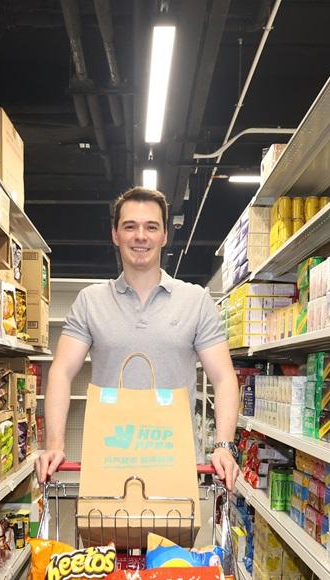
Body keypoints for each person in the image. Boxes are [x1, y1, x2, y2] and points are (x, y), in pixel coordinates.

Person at [36, 186, 240, 490]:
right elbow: (62, 371)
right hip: (108, 463)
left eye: (151, 227)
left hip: (176, 466)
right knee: (103, 525)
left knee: (176, 526)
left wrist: (223, 446)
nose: (140, 236)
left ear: (164, 236)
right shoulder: (90, 301)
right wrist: (54, 444)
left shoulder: (196, 301)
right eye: (130, 226)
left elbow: (223, 378)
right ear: (115, 235)